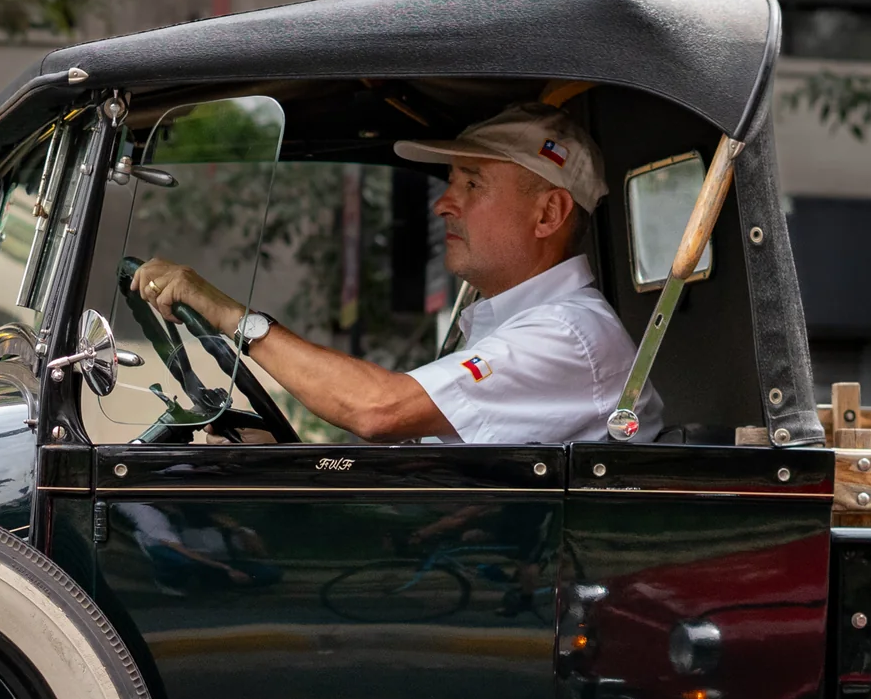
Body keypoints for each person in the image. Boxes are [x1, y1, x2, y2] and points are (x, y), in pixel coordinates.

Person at [128, 102, 651, 444]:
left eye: (471, 185)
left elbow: (378, 410)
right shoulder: (507, 324)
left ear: (548, 215)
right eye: (451, 182)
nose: (443, 204)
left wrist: (230, 315)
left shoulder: (568, 334)